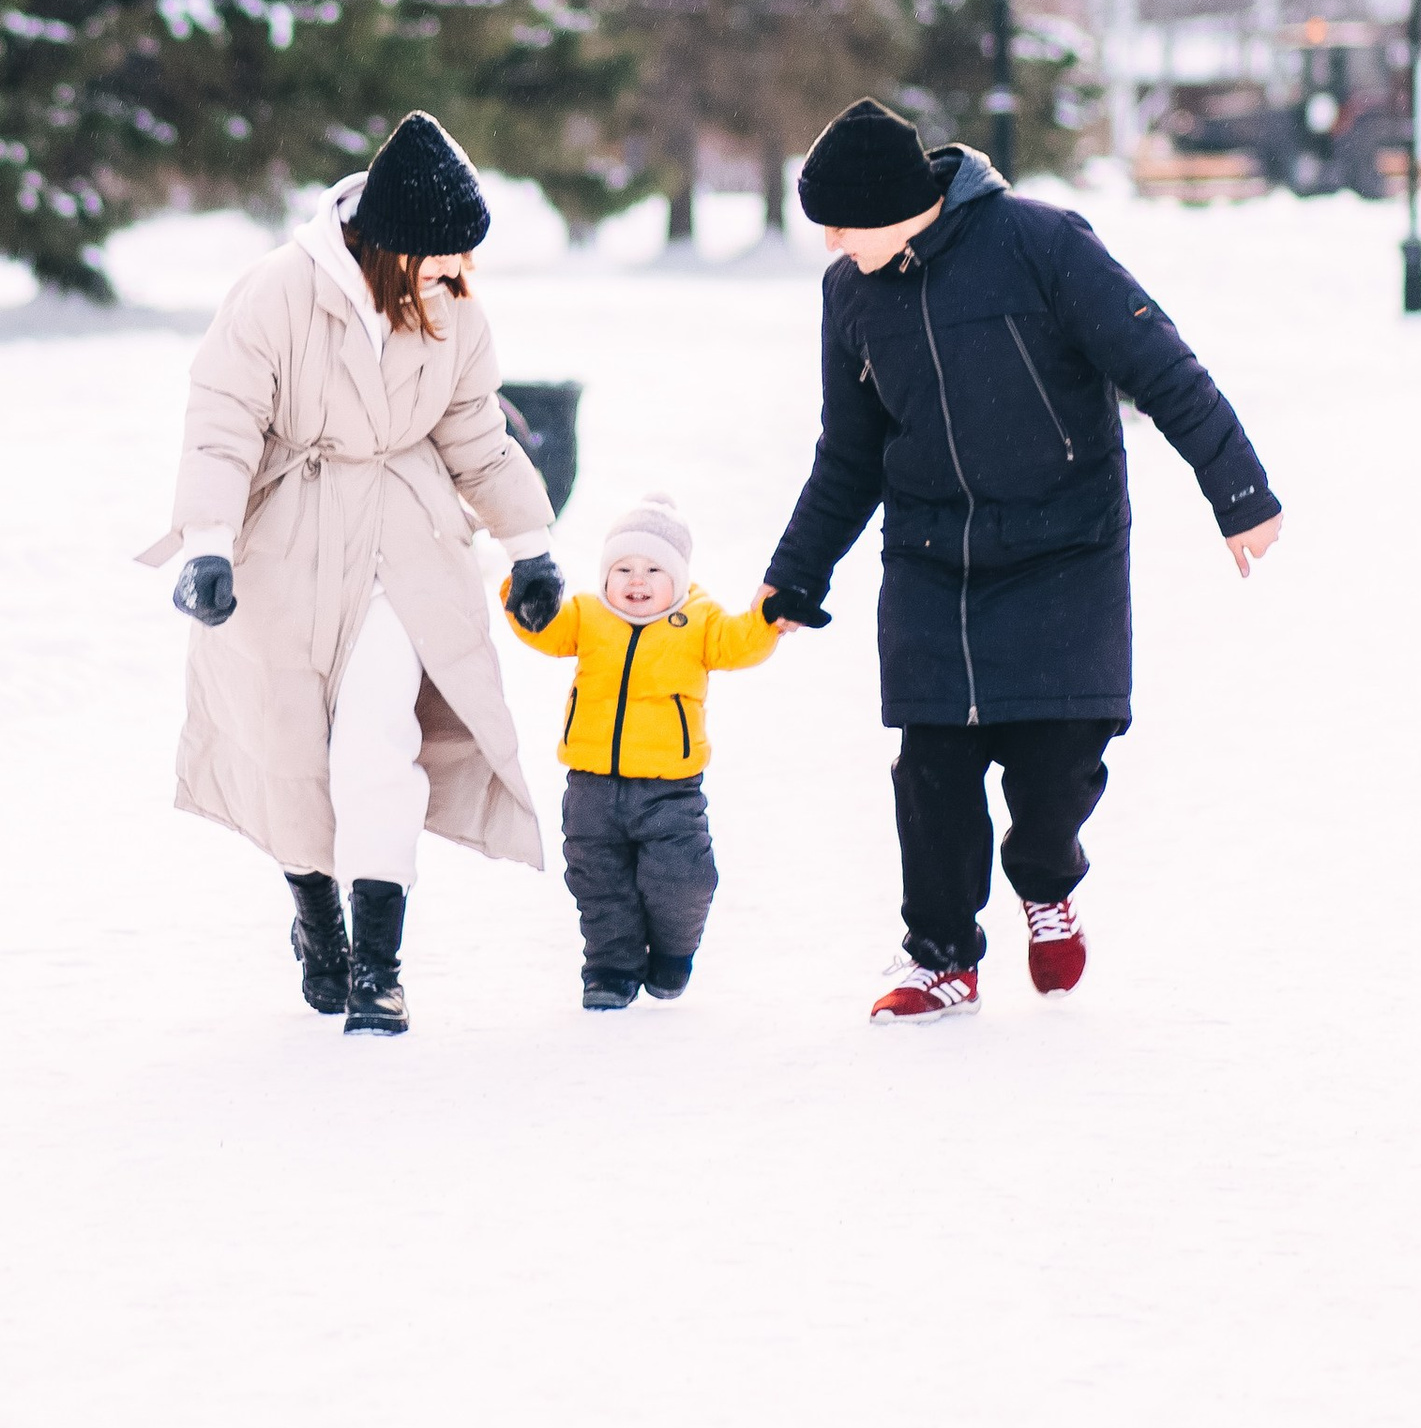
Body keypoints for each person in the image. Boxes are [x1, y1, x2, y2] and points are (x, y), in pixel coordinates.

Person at [761, 99, 1282, 1024]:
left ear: (891, 206)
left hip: (1063, 547)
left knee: (1055, 772)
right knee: (931, 770)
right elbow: (848, 454)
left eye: (839, 223)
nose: (833, 243)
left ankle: (1047, 879)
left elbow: (1160, 366)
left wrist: (1238, 492)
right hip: (934, 558)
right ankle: (941, 957)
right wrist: (796, 572)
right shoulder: (852, 293)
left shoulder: (1040, 244)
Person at [145, 112, 564, 1036]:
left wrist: (530, 547)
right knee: (291, 750)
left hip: (403, 544)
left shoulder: (455, 308)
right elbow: (221, 418)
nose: (457, 277)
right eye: (441, 258)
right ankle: (316, 920)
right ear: (389, 246)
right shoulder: (276, 294)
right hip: (286, 543)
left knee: (378, 745)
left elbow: (478, 437)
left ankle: (380, 965)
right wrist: (208, 539)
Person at [504, 491, 782, 1011]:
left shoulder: (700, 621)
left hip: (669, 789)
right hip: (591, 785)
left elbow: (740, 642)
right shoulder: (587, 614)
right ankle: (610, 968)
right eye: (624, 568)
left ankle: (673, 954)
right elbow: (543, 629)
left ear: (678, 577)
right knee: (598, 883)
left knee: (684, 878)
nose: (636, 581)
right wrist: (525, 597)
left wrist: (768, 618)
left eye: (653, 569)